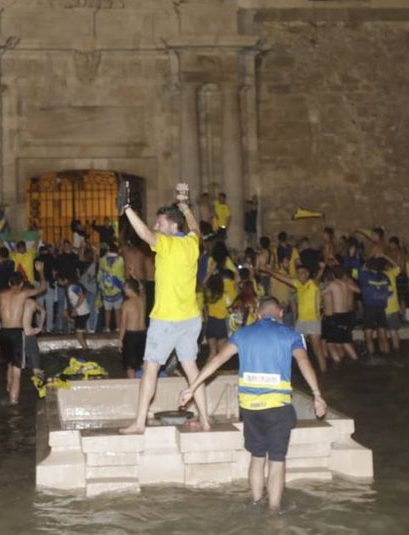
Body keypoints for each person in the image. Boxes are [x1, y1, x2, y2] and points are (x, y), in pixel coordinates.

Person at [178, 296, 327, 513]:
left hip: (249, 408)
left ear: (257, 314)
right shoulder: (290, 334)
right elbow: (304, 362)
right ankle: (274, 510)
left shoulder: (243, 334)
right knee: (276, 460)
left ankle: (257, 502)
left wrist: (193, 387)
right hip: (278, 406)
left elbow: (217, 360)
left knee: (257, 457)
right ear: (280, 314)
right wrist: (317, 394)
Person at [119, 191, 211, 435]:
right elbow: (195, 229)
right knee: (191, 368)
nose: (156, 226)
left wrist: (127, 209)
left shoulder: (167, 244)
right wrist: (185, 207)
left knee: (150, 368)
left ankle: (139, 423)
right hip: (191, 318)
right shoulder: (192, 244)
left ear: (172, 226)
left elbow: (145, 235)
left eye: (160, 223)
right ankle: (205, 420)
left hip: (167, 319)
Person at [0, 274, 46, 404]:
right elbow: (43, 287)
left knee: (9, 365)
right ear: (21, 284)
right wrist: (41, 271)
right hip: (17, 333)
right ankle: (13, 401)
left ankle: (9, 390)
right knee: (17, 371)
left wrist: (0, 324)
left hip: (3, 332)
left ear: (9, 284)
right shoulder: (23, 295)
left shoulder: (0, 295)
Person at [118, 278, 147, 378]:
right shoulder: (143, 299)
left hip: (131, 335)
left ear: (130, 289)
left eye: (125, 288)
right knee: (143, 362)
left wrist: (120, 340)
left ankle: (133, 385)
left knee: (130, 366)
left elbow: (123, 324)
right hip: (143, 334)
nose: (124, 290)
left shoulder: (126, 304)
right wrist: (134, 277)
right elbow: (142, 289)